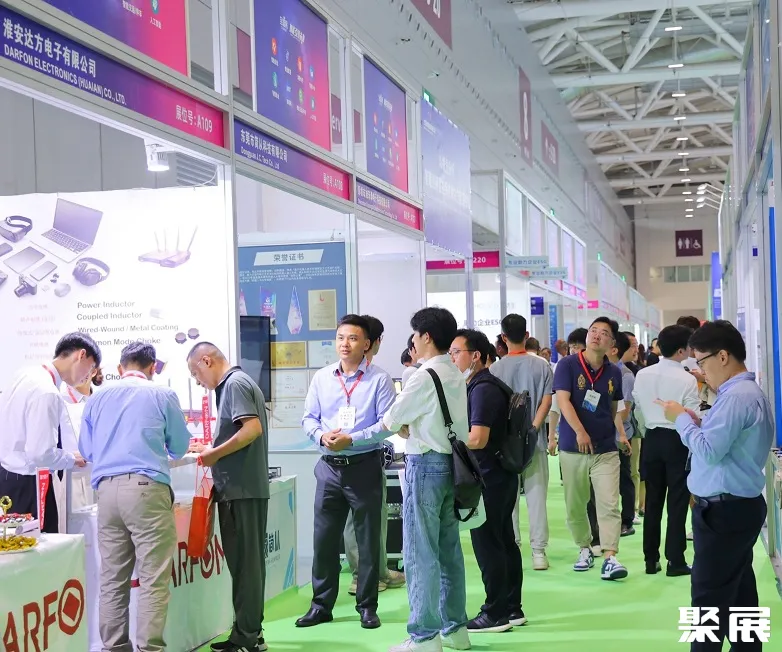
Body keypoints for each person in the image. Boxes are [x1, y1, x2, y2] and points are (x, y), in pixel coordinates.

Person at [658, 320, 773, 651]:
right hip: (736, 507)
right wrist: (698, 422)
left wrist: (681, 419)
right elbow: (724, 442)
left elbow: (709, 450)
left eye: (702, 361)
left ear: (723, 356)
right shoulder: (744, 394)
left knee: (708, 600)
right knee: (740, 597)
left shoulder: (737, 397)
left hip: (724, 511)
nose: (701, 371)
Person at [79, 342, 190, 652]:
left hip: (106, 492)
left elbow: (87, 450)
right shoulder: (162, 394)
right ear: (153, 367)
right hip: (146, 490)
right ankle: (149, 649)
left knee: (113, 579)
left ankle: (114, 647)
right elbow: (179, 447)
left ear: (120, 368)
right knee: (153, 578)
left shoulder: (97, 398)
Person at [297, 315, 396, 630]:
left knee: (367, 542)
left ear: (366, 344)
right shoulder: (322, 377)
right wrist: (321, 436)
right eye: (340, 337)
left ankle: (367, 606)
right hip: (328, 468)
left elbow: (387, 424)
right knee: (324, 541)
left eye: (352, 338)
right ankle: (321, 605)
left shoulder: (379, 379)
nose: (345, 343)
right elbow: (308, 418)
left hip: (364, 466)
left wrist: (352, 439)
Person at [384, 307, 470, 652]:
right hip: (453, 466)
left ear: (426, 337)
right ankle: (455, 629)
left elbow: (392, 419)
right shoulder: (454, 371)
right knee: (449, 551)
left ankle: (423, 636)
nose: (413, 342)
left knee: (420, 553)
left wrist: (405, 425)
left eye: (416, 336)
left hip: (425, 465)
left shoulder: (423, 375)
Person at [188, 342, 270, 652]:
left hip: (241, 489)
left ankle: (247, 637)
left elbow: (252, 429)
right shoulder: (238, 383)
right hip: (242, 488)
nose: (198, 381)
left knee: (245, 565)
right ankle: (250, 632)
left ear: (206, 361)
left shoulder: (234, 384)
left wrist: (215, 454)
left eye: (195, 373)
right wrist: (212, 448)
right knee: (247, 565)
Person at [451, 329, 523, 634]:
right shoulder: (489, 384)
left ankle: (494, 612)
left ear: (476, 355)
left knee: (488, 543)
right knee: (503, 540)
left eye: (457, 352)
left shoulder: (481, 389)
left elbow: (478, 438)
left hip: (488, 477)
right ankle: (511, 607)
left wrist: (449, 438)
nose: (453, 358)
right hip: (500, 474)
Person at [0, 332, 100, 533]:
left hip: (7, 476)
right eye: (90, 368)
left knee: (11, 544)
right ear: (81, 355)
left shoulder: (25, 374)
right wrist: (70, 459)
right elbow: (41, 454)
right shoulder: (47, 391)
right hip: (28, 483)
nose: (87, 376)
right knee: (38, 546)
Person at [554, 317, 629, 581]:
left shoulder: (614, 372)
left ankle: (610, 557)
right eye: (593, 330)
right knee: (576, 505)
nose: (596, 335)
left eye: (604, 333)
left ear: (612, 344)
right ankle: (584, 547)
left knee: (609, 503)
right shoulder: (567, 365)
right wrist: (580, 431)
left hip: (605, 449)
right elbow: (563, 401)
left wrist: (620, 434)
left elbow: (612, 407)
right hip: (573, 448)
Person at [344, 316, 406, 596]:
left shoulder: (376, 377)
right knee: (356, 521)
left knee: (375, 518)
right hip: (351, 456)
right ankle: (362, 575)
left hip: (368, 455)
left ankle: (378, 571)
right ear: (374, 342)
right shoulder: (343, 377)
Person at [632, 325, 700, 577]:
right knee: (678, 502)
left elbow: (638, 409)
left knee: (653, 501)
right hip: (677, 439)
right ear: (682, 350)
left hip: (651, 438)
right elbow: (692, 414)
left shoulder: (643, 374)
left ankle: (651, 560)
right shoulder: (687, 378)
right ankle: (675, 560)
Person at [491, 314, 553, 571]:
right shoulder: (542, 365)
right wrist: (534, 428)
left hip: (504, 444)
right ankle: (539, 552)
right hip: (534, 441)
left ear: (503, 338)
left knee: (509, 499)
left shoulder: (495, 369)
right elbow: (547, 400)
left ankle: (513, 546)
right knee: (537, 497)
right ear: (527, 335)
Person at [55, 366, 104, 528]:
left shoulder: (102, 399)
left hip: (100, 474)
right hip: (69, 475)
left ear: (94, 371)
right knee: (74, 527)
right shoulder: (58, 398)